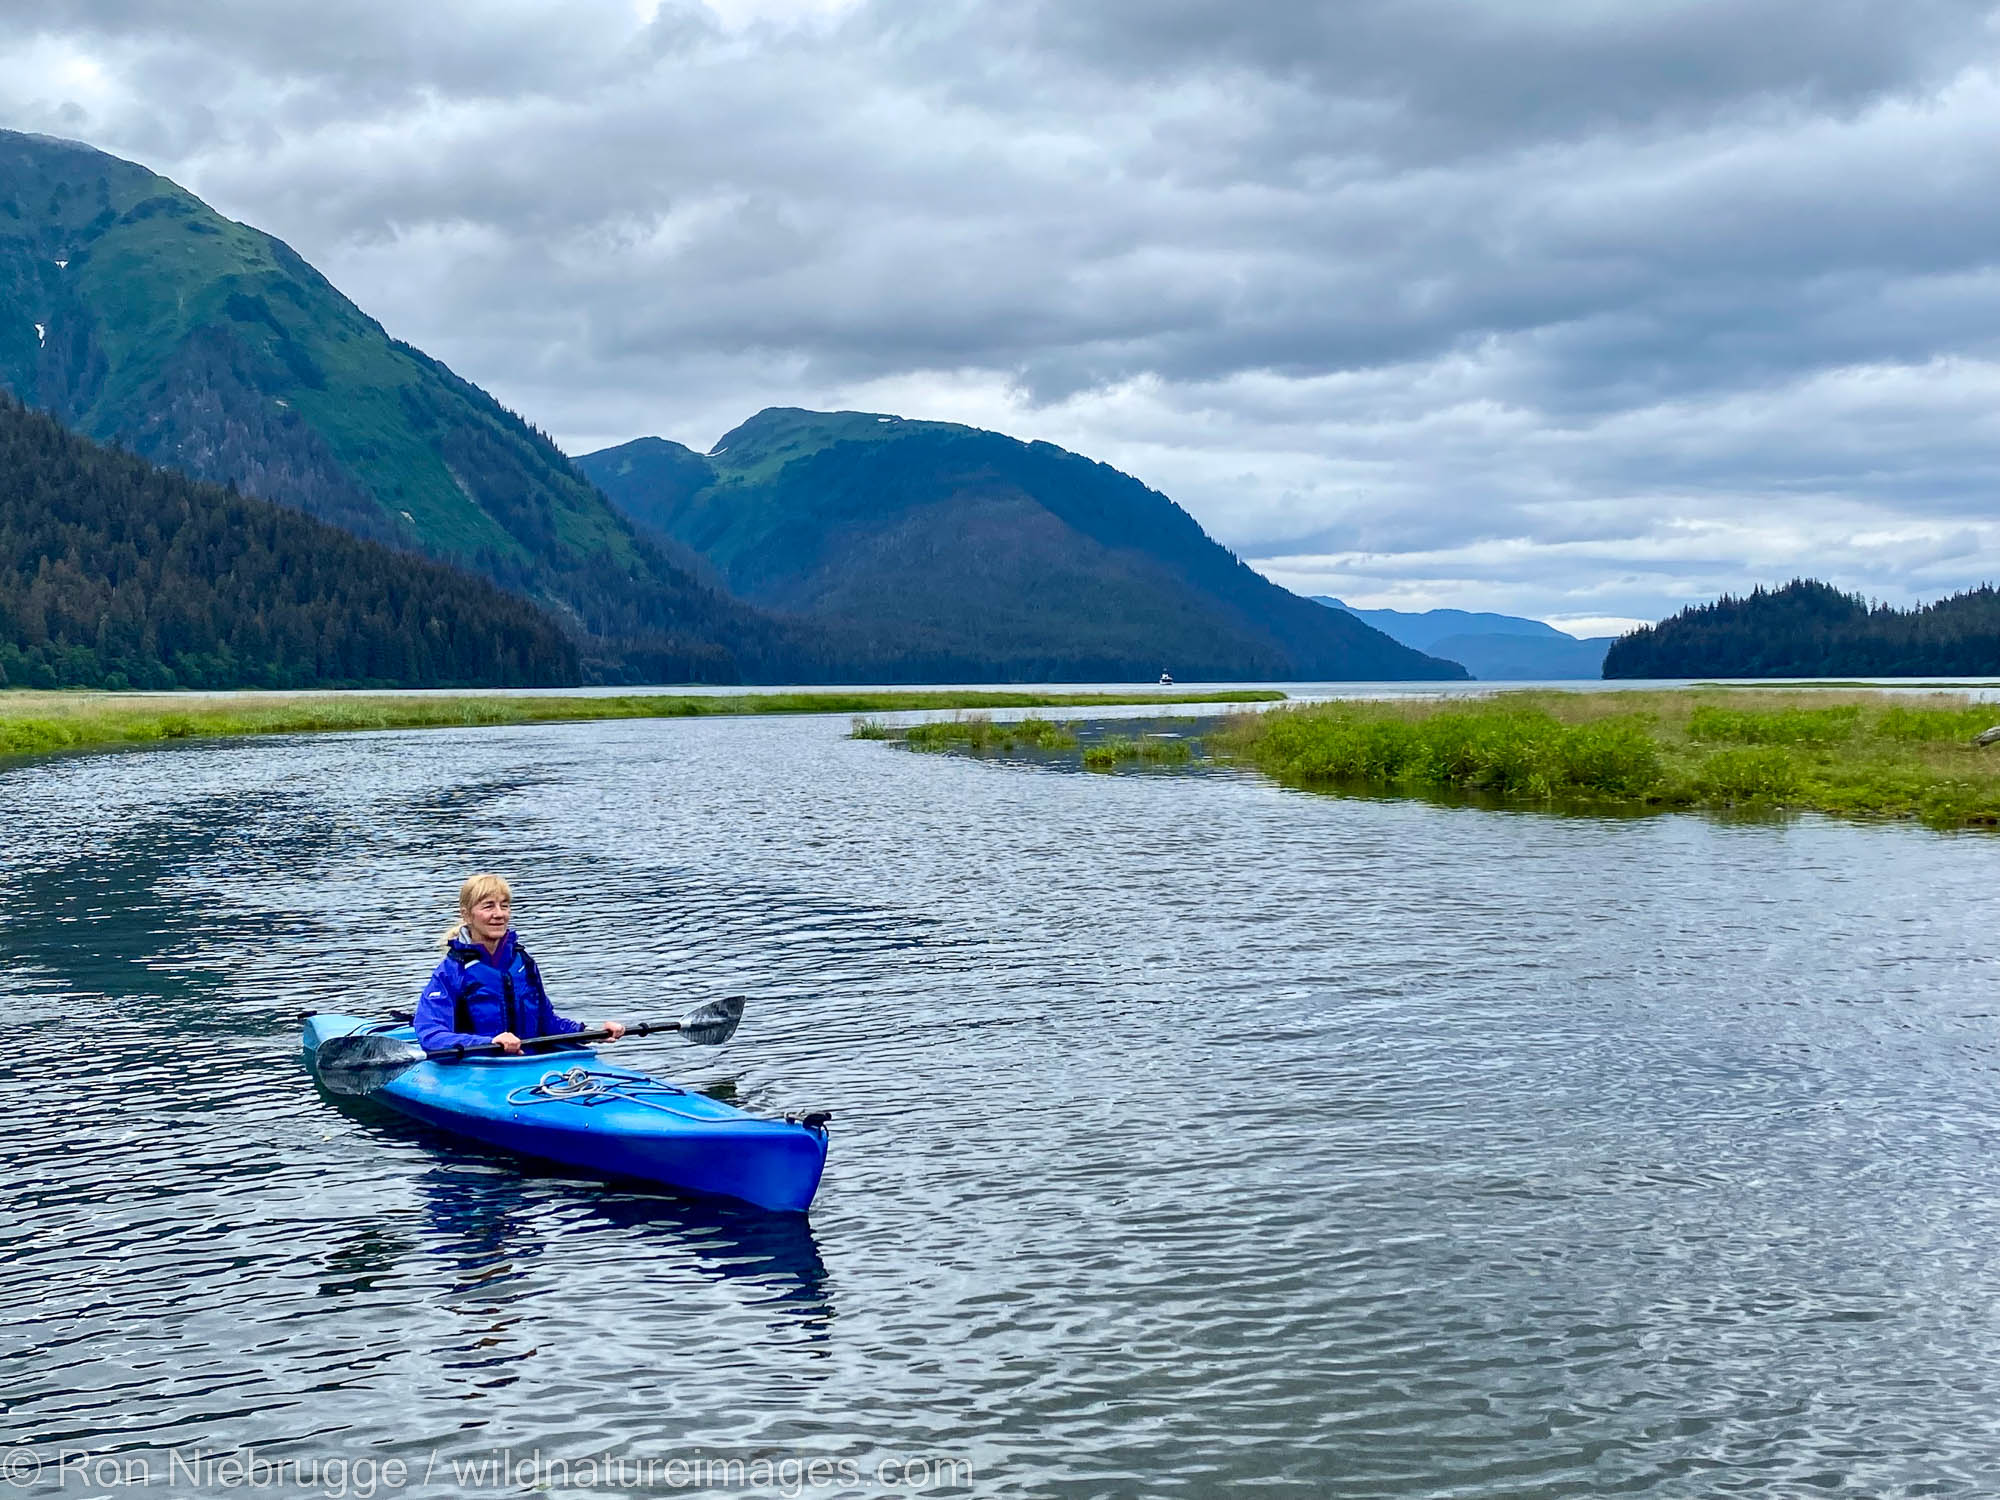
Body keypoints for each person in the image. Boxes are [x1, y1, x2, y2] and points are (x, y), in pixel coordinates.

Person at [414, 873, 626, 1056]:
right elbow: (431, 1034)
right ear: (467, 915)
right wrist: (488, 1043)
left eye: (504, 906)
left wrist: (592, 1033)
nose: (499, 914)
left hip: (527, 1066)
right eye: (488, 906)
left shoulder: (523, 963)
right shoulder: (451, 971)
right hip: (476, 1067)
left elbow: (547, 1022)